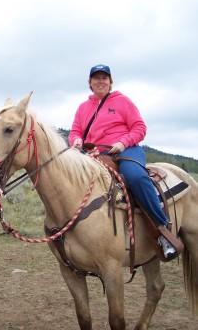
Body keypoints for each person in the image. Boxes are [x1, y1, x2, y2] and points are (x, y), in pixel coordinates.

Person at [68, 64, 176, 259]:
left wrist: (122, 142)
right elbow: (76, 130)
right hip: (95, 155)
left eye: (104, 78)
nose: (100, 81)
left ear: (110, 82)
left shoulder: (123, 101)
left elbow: (139, 128)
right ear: (89, 83)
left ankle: (163, 232)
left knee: (136, 177)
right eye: (96, 78)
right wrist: (75, 140)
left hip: (125, 151)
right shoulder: (83, 108)